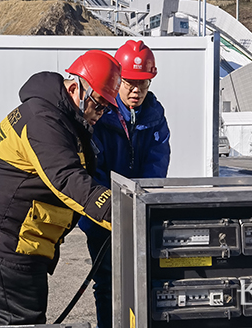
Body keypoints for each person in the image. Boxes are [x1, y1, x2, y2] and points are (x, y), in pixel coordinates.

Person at [0, 49, 122, 325]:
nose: (100, 114)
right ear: (76, 87)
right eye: (98, 105)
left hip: (16, 234)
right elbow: (66, 179)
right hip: (2, 236)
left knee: (29, 319)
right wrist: (123, 213)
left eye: (105, 108)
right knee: (23, 320)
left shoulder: (58, 114)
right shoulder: (44, 120)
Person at [78, 40, 171, 328]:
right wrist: (113, 208)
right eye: (130, 82)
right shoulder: (101, 114)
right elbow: (94, 168)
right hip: (103, 217)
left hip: (140, 214)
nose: (137, 90)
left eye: (143, 83)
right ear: (118, 79)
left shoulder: (155, 116)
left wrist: (141, 204)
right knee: (106, 283)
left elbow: (157, 165)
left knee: (144, 281)